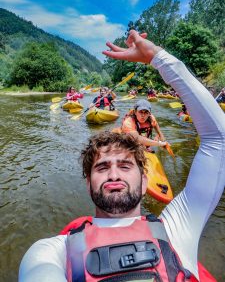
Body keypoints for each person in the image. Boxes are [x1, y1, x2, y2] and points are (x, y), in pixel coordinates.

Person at [19, 30, 225, 282]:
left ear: (145, 180)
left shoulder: (177, 230)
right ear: (87, 182)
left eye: (126, 165)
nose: (114, 173)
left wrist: (158, 58)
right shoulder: (51, 253)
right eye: (102, 167)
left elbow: (219, 139)